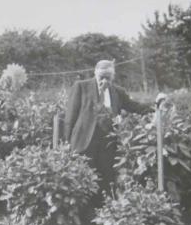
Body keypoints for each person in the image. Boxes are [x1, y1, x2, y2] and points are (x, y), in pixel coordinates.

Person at [64, 59, 151, 198]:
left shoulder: (118, 91)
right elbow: (70, 116)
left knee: (106, 178)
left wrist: (156, 106)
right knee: (82, 178)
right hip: (84, 141)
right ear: (95, 73)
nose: (104, 81)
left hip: (107, 143)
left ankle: (104, 210)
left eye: (108, 78)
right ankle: (86, 214)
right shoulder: (81, 87)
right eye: (101, 77)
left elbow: (134, 106)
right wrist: (67, 141)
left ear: (113, 76)